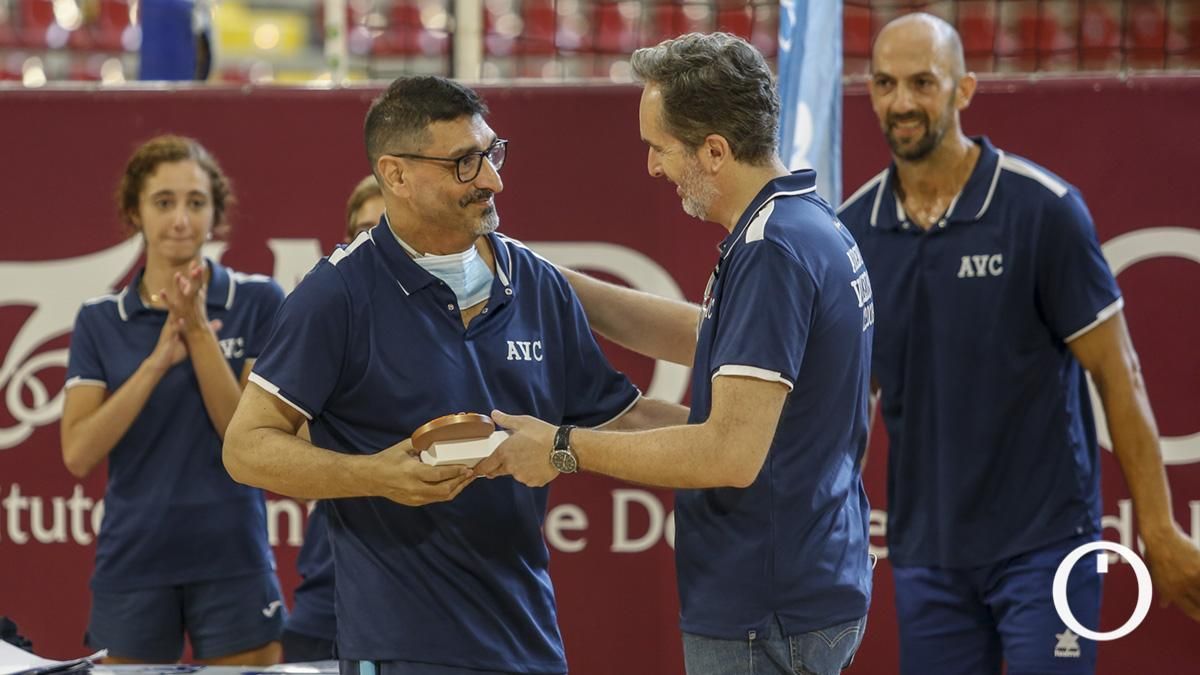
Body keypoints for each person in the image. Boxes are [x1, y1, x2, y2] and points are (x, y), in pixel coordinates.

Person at [223, 75, 678, 674]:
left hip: (529, 640)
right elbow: (245, 448)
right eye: (464, 163)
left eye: (491, 153)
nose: (492, 179)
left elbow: (624, 417)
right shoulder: (336, 295)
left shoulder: (537, 282)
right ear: (397, 174)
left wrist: (748, 435)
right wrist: (375, 476)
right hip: (399, 647)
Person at [479, 33, 873, 675]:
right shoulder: (803, 221)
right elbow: (706, 334)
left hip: (764, 603)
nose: (652, 168)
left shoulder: (771, 251)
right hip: (808, 578)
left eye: (659, 148)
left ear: (714, 151)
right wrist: (548, 279)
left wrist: (561, 448)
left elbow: (728, 452)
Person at [835, 13, 1200, 674]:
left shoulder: (1043, 210)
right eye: (885, 83)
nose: (902, 102)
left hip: (1047, 547)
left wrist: (1160, 527)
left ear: (964, 89)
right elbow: (848, 401)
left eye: (923, 82)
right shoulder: (849, 231)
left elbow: (1119, 373)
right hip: (927, 556)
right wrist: (826, 519)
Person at [61, 135, 286, 664]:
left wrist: (197, 332)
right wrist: (157, 362)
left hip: (234, 557)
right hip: (133, 562)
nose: (181, 219)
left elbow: (245, 438)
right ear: (134, 211)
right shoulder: (100, 319)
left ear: (216, 214)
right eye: (164, 202)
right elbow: (78, 453)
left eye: (196, 202)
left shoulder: (258, 301)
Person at [281, 176, 384, 663]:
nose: (377, 242)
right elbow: (274, 453)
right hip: (329, 587)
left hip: (418, 599)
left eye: (388, 227)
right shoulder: (327, 317)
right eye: (364, 230)